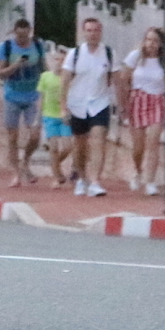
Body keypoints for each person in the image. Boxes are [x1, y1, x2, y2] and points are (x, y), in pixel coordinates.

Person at [63, 14, 117, 197]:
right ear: (84, 33)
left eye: (96, 30)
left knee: (98, 139)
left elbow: (117, 80)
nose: (93, 34)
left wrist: (122, 104)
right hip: (77, 104)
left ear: (100, 32)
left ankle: (95, 181)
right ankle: (81, 178)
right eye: (89, 31)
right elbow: (64, 82)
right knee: (80, 144)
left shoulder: (109, 53)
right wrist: (63, 107)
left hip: (100, 103)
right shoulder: (75, 54)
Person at [0, 18, 44, 185]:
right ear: (14, 32)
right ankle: (16, 173)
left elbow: (44, 68)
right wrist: (15, 65)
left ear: (30, 31)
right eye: (19, 36)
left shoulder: (37, 46)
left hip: (32, 96)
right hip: (11, 97)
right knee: (12, 137)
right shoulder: (6, 48)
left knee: (35, 135)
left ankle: (26, 161)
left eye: (25, 35)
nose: (22, 39)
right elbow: (0, 73)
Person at [123, 25, 165, 193]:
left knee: (153, 142)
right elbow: (124, 79)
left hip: (157, 101)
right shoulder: (135, 57)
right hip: (138, 99)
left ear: (161, 44)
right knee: (139, 146)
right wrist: (124, 103)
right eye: (149, 40)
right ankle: (138, 171)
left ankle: (150, 181)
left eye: (155, 41)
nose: (151, 44)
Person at [37, 45, 73, 187]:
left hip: (64, 116)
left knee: (68, 146)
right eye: (58, 59)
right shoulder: (45, 77)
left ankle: (55, 165)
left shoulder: (69, 78)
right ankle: (57, 176)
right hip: (49, 115)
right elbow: (41, 97)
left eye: (64, 60)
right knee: (53, 147)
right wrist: (38, 117)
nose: (60, 63)